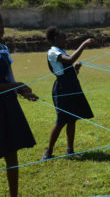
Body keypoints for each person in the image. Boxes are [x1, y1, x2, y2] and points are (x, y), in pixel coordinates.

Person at [42, 26, 94, 159]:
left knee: (72, 118)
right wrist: (84, 44)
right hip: (62, 88)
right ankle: (49, 152)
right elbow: (69, 60)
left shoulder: (60, 50)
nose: (65, 40)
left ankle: (70, 150)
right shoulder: (52, 52)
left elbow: (69, 70)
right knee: (61, 120)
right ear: (55, 39)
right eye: (63, 38)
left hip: (71, 86)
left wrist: (76, 70)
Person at [0, 13, 38, 197]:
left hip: (9, 105)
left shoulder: (3, 48)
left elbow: (9, 77)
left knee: (11, 153)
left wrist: (23, 91)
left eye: (1, 23)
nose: (0, 28)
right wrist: (18, 85)